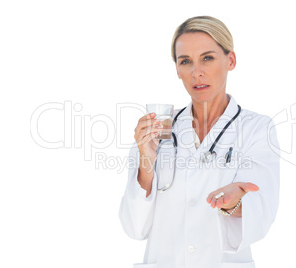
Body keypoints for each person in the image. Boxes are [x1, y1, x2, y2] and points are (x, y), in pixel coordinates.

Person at [119, 16, 280, 268]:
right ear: (177, 70)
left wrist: (234, 202)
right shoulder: (158, 130)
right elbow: (134, 227)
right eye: (186, 61)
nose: (196, 72)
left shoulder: (257, 129)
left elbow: (262, 212)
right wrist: (145, 163)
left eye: (207, 58)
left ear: (231, 60)